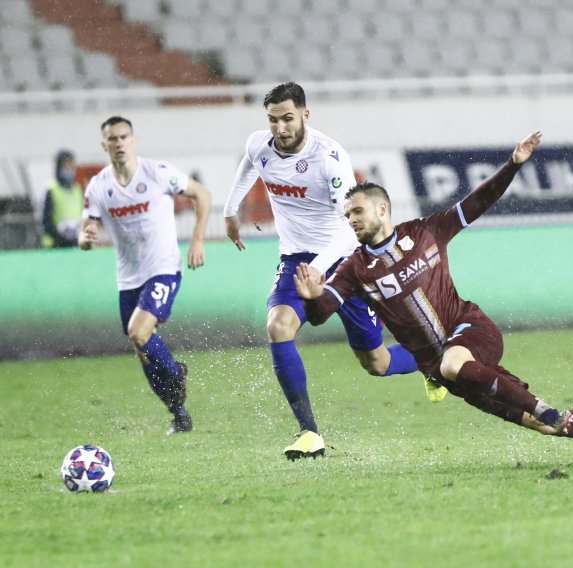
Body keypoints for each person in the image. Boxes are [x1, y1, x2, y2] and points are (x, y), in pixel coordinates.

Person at [294, 131, 573, 462]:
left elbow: (478, 202)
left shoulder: (425, 231)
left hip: (471, 332)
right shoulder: (353, 269)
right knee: (553, 427)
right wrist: (312, 297)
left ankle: (543, 407)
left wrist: (513, 165)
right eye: (347, 216)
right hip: (447, 371)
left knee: (458, 364)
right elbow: (319, 314)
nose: (351, 221)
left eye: (357, 212)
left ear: (382, 209)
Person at [223, 82, 440, 461]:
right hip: (296, 259)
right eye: (273, 120)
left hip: (345, 261)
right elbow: (248, 165)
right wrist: (230, 209)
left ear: (305, 114)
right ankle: (309, 433)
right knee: (278, 325)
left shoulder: (330, 157)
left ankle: (428, 360)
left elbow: (349, 225)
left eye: (288, 118)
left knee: (377, 363)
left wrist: (319, 271)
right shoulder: (260, 144)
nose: (280, 128)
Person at [78, 116, 211, 435]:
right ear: (104, 145)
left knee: (139, 332)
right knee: (142, 351)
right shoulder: (99, 186)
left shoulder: (157, 173)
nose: (120, 143)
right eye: (113, 139)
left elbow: (202, 195)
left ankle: (176, 372)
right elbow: (86, 230)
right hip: (128, 277)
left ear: (133, 140)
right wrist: (86, 239)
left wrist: (196, 239)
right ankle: (178, 413)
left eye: (124, 137)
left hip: (163, 267)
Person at [41, 149, 84, 248]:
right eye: (66, 166)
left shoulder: (77, 190)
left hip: (74, 244)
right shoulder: (51, 189)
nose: (69, 170)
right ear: (59, 167)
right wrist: (61, 239)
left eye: (71, 166)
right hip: (55, 246)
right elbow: (45, 222)